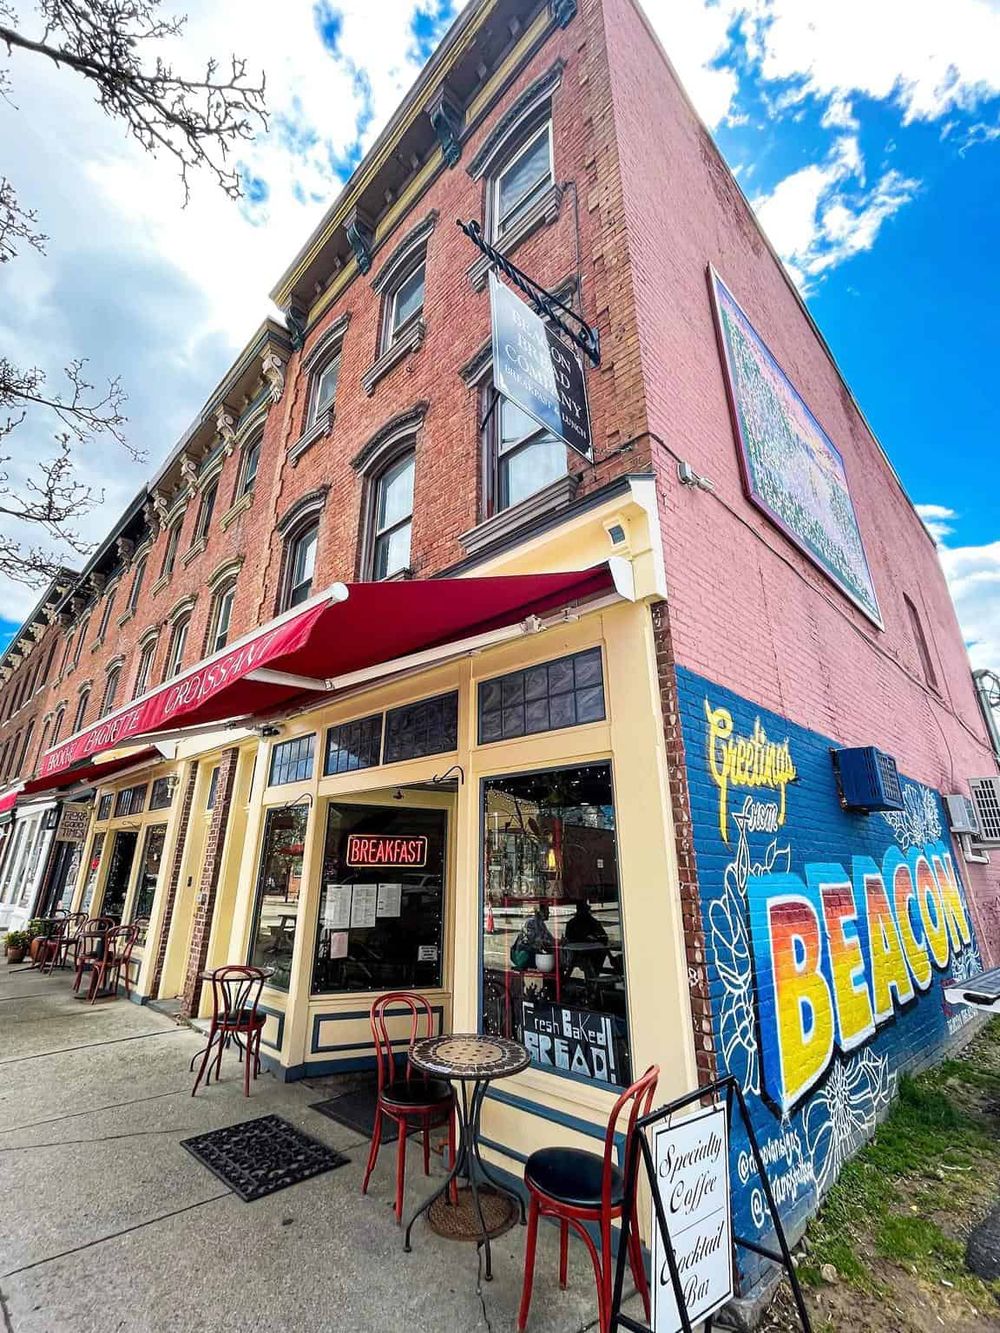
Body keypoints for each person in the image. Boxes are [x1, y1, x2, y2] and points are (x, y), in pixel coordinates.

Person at [564, 900, 610, 977]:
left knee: (600, 952)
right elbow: (569, 939)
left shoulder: (591, 922)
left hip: (588, 953)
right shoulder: (573, 923)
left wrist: (595, 938)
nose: (588, 912)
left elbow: (603, 936)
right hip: (579, 954)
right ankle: (593, 977)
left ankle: (593, 977)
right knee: (591, 957)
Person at [510, 902, 554, 970]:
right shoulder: (531, 922)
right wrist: (546, 943)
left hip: (531, 954)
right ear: (540, 912)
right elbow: (532, 941)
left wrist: (558, 941)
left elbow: (550, 939)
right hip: (523, 956)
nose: (549, 913)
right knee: (548, 962)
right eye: (547, 910)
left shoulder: (542, 924)